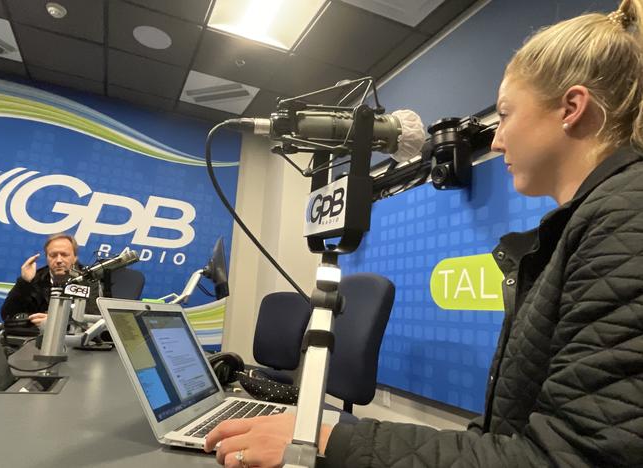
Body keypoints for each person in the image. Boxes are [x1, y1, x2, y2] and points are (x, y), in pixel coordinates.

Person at [203, 1, 643, 466]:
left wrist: (332, 442)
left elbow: (572, 458)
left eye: (507, 114)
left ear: (572, 108)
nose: (495, 139)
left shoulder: (625, 221)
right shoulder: (591, 225)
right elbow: (505, 437)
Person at [1, 233, 102, 327]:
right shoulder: (35, 279)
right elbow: (8, 315)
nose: (58, 260)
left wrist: (56, 321)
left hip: (74, 340)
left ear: (75, 258)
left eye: (64, 255)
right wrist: (24, 282)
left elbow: (94, 318)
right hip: (35, 339)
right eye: (53, 255)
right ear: (47, 258)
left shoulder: (90, 280)